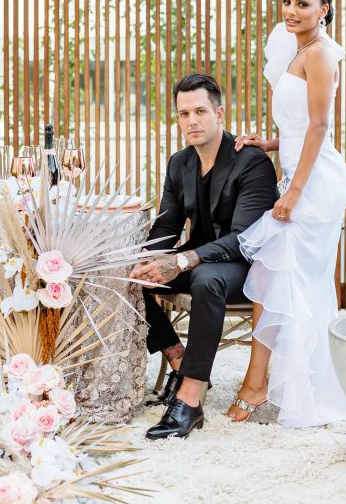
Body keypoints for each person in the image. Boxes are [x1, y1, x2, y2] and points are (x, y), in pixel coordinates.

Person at [226, 0, 346, 428]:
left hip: (315, 185)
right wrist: (269, 144)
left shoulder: (320, 53)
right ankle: (280, 381)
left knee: (279, 273)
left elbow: (320, 128)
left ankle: (260, 383)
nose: (291, 10)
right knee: (285, 279)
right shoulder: (298, 51)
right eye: (287, 1)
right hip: (300, 173)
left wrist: (295, 192)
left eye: (303, 3)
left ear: (324, 9)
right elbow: (300, 129)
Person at [130, 73, 278, 440]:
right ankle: (177, 357)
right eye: (184, 114)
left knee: (206, 278)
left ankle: (190, 398)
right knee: (129, 275)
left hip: (245, 268)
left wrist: (182, 260)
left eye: (200, 111)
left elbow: (243, 239)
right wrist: (147, 258)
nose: (191, 121)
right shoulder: (179, 163)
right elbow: (167, 226)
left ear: (219, 113)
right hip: (197, 262)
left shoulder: (252, 162)